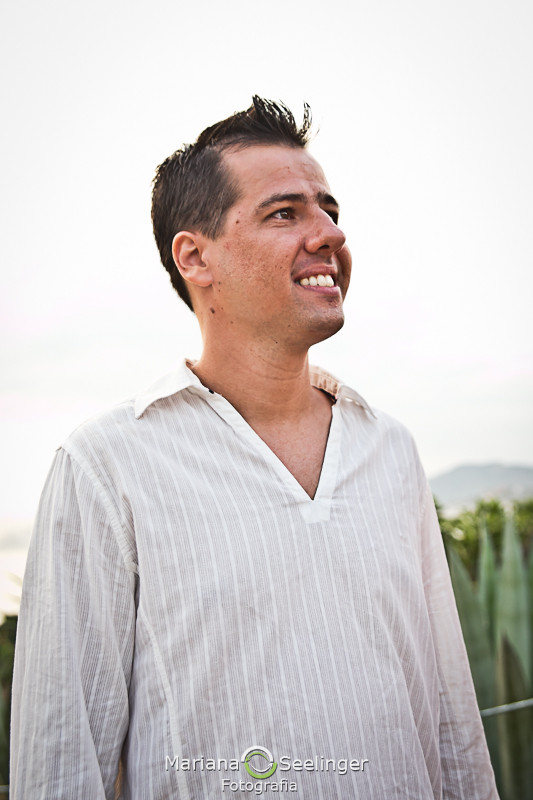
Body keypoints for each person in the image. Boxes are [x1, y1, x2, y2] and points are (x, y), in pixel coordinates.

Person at [10, 97, 498, 799]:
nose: (329, 233)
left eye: (329, 210)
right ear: (195, 257)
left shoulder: (390, 448)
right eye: (284, 213)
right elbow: (62, 757)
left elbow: (452, 720)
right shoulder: (106, 465)